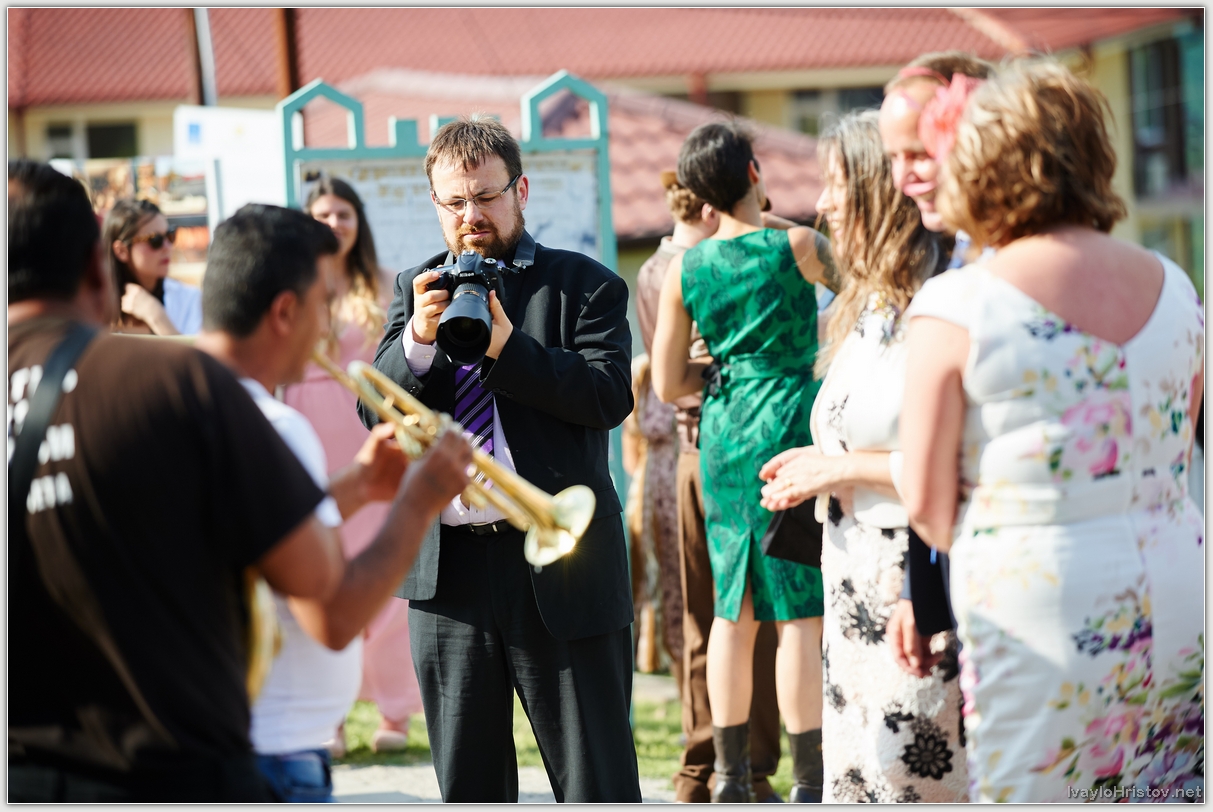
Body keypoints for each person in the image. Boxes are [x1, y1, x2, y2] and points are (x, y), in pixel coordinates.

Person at [899, 59, 1205, 801]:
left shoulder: (957, 305)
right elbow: (1177, 442)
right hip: (1178, 581)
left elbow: (927, 508)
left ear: (979, 164)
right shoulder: (1176, 285)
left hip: (1039, 598)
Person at [8, 160, 346, 801]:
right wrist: (415, 497)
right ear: (96, 267)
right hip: (173, 776)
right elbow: (317, 581)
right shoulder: (174, 382)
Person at [362, 115, 639, 802]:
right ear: (435, 203)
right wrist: (417, 343)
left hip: (561, 564)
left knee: (596, 781)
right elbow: (375, 410)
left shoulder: (585, 285)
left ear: (520, 190)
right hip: (448, 576)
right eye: (454, 202)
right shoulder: (414, 286)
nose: (471, 216)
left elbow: (608, 396)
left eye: (486, 197)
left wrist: (507, 350)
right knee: (469, 785)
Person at [192, 203, 472, 801]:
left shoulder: (173, 403)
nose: (329, 323)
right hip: (271, 754)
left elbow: (245, 539)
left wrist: (356, 487)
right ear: (284, 312)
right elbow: (336, 618)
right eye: (323, 303)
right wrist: (418, 502)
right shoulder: (272, 427)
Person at [758, 111, 966, 803]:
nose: (822, 203)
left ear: (880, 192)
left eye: (836, 183)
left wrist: (838, 469)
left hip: (913, 580)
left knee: (912, 780)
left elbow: (957, 465)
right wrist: (817, 459)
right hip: (852, 587)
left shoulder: (940, 301)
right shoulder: (870, 303)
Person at [651, 122, 838, 803]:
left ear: (697, 196)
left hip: (723, 432)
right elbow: (864, 299)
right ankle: (809, 781)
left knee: (732, 609)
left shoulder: (686, 267)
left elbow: (668, 383)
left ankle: (730, 779)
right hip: (789, 422)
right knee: (799, 612)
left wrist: (721, 375)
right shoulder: (799, 245)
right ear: (755, 172)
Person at [635, 172, 785, 803]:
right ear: (711, 208)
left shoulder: (656, 268)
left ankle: (713, 766)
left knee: (707, 618)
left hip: (692, 453)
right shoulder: (690, 268)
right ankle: (729, 766)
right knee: (725, 618)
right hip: (706, 450)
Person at [283, 177, 423, 755]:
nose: (334, 223)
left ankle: (394, 711)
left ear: (358, 220)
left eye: (343, 213)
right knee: (326, 567)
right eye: (322, 213)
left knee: (387, 578)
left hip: (366, 426)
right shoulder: (291, 282)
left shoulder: (385, 282)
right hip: (308, 426)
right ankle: (332, 716)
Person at [877, 51, 994, 674]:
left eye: (920, 153)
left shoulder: (975, 280)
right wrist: (916, 592)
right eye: (893, 158)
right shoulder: (945, 265)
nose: (904, 178)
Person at [102, 198, 201, 335]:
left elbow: (195, 351)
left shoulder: (190, 300)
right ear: (121, 251)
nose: (167, 247)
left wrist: (156, 315)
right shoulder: (97, 307)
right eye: (155, 240)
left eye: (170, 235)